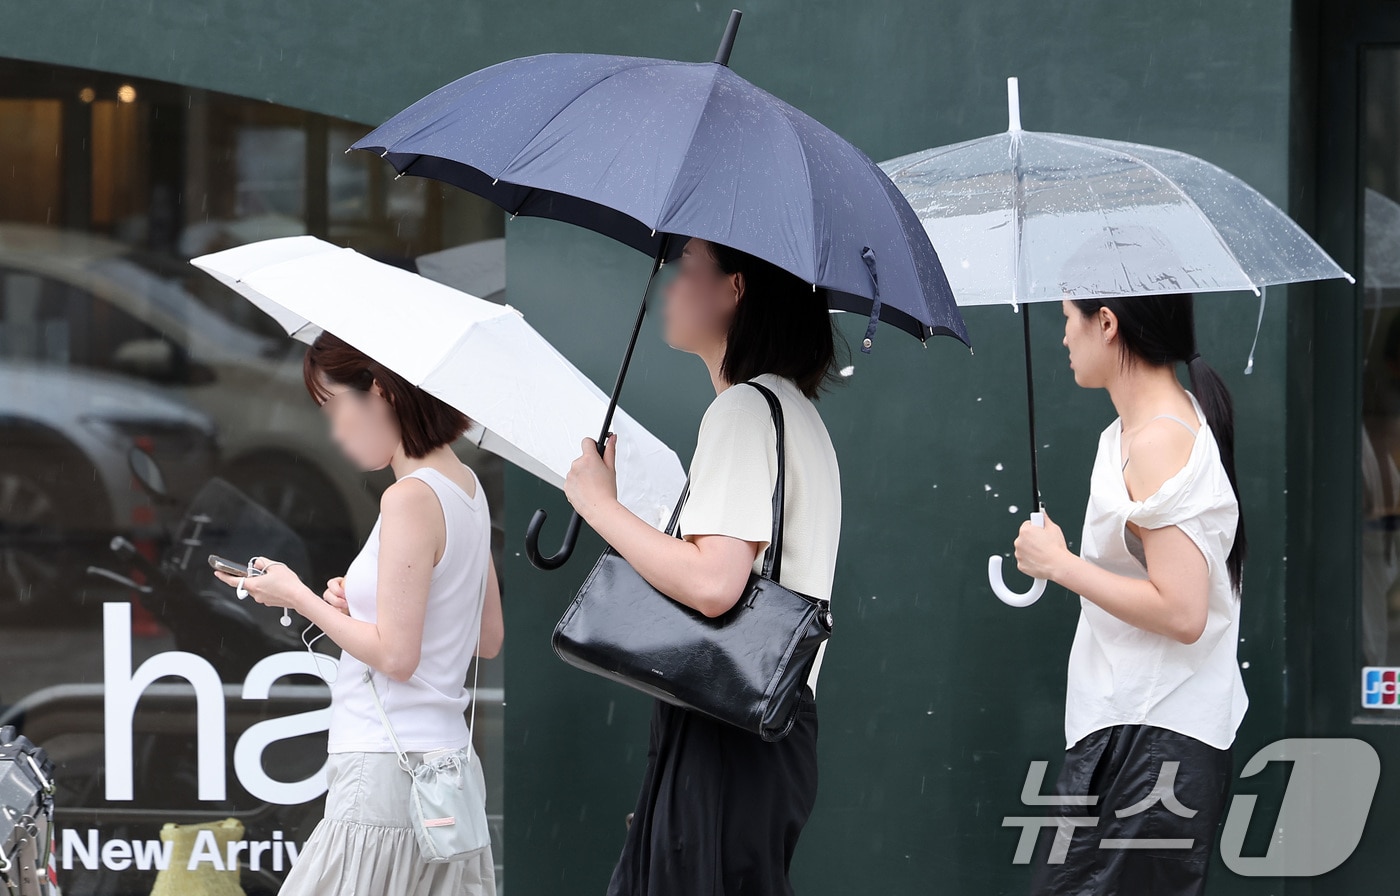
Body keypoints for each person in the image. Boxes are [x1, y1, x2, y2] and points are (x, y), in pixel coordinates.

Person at [564, 237, 843, 895]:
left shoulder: (743, 410)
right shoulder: (796, 414)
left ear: (733, 289)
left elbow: (715, 583)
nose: (669, 284)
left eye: (687, 267)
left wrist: (599, 506)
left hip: (724, 728)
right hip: (764, 722)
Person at [213, 331, 503, 896]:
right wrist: (370, 605)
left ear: (379, 391)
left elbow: (396, 656)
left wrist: (300, 597)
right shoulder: (466, 488)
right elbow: (485, 636)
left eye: (333, 407)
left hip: (385, 768)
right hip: (446, 770)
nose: (335, 431)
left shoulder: (408, 498)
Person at [1013, 294, 1248, 896]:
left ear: (1107, 323)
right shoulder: (1132, 433)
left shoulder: (1158, 440)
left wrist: (1060, 565)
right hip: (1133, 730)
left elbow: (1183, 611)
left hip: (1150, 735)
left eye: (1069, 319)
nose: (1065, 338)